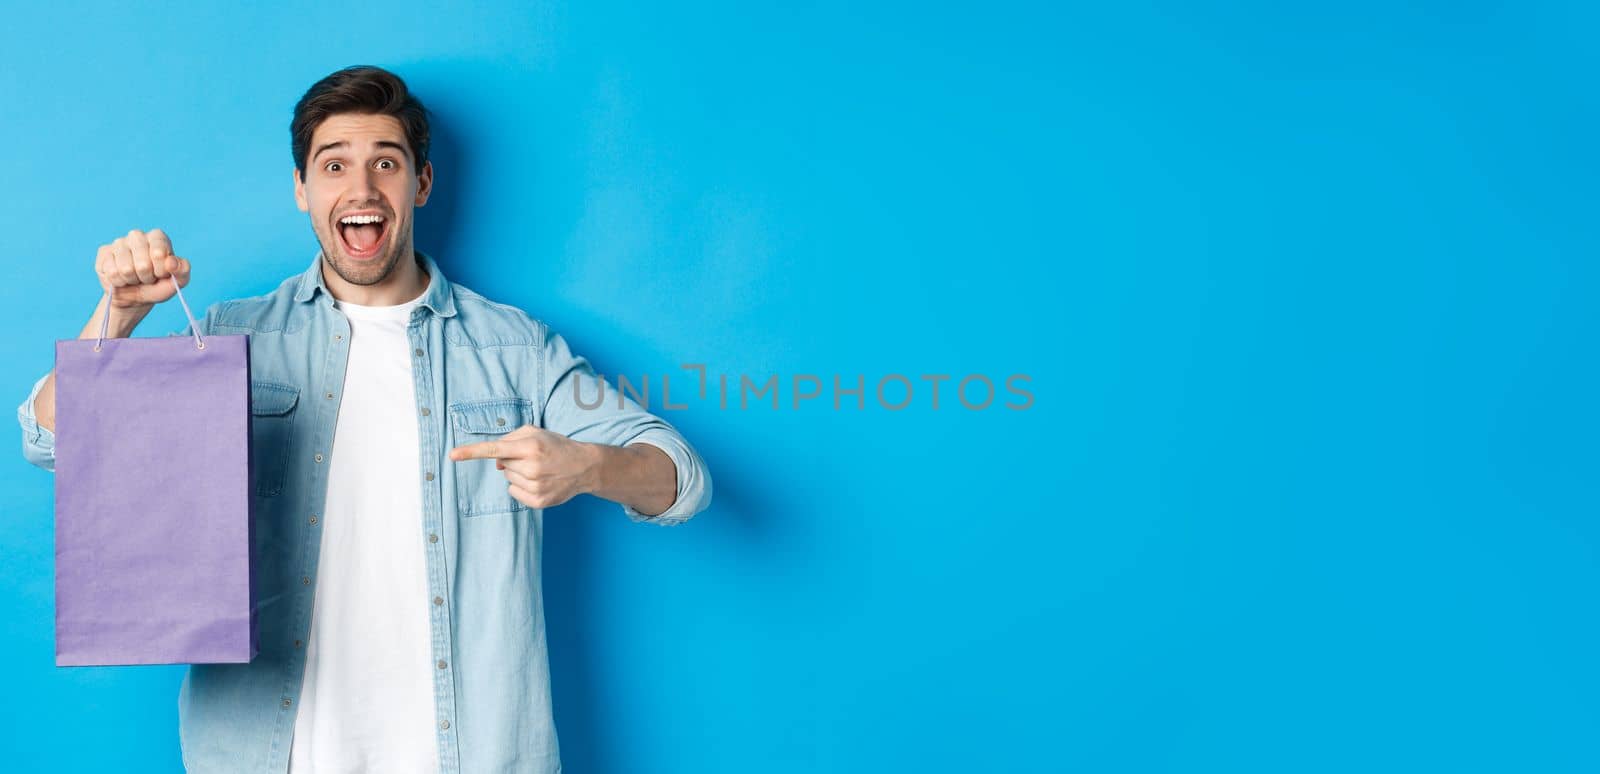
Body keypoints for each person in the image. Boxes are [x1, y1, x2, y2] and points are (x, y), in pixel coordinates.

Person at [16, 65, 712, 774]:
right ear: (302, 190)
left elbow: (680, 479)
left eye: (386, 162)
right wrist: (118, 320)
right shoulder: (230, 339)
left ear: (422, 184)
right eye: (334, 165)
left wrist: (591, 465)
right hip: (266, 752)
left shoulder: (515, 349)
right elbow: (51, 441)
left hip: (471, 752)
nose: (361, 188)